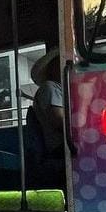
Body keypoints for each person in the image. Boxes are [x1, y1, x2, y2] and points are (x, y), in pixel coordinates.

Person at [26, 48, 65, 183]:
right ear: (52, 68)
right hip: (60, 146)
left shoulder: (63, 90)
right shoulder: (50, 88)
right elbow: (59, 121)